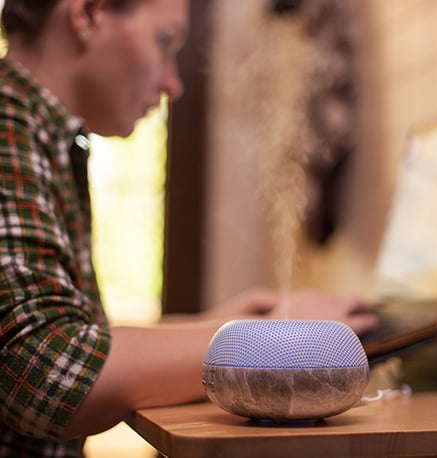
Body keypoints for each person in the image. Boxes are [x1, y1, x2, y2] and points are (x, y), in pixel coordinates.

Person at [0, 0, 379, 456]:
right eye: (164, 42)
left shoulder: (40, 135)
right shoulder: (7, 129)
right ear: (90, 12)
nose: (172, 83)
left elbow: (70, 334)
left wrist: (218, 326)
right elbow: (46, 373)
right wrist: (268, 340)